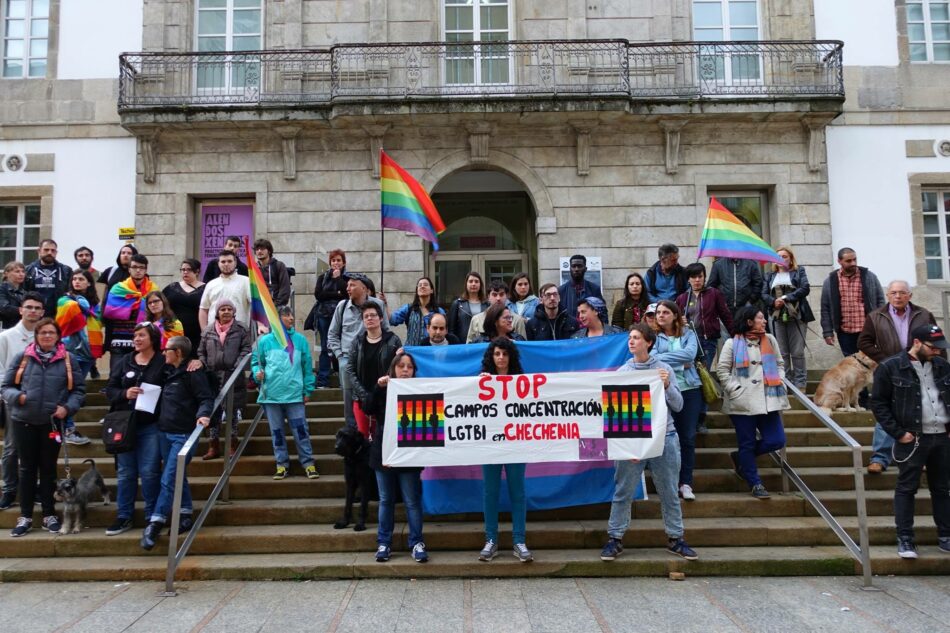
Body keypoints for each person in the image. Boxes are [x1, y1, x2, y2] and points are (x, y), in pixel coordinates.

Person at [600, 323, 698, 562]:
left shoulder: (664, 369)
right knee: (623, 490)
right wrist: (627, 445)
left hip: (665, 437)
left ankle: (676, 538)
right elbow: (616, 413)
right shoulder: (623, 372)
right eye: (630, 337)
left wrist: (665, 386)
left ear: (649, 342)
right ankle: (615, 538)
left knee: (669, 491)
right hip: (634, 438)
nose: (631, 341)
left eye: (636, 337)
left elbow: (678, 405)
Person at [869, 324, 950, 559]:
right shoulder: (890, 367)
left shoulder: (943, 366)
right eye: (932, 347)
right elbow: (879, 404)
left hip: (942, 436)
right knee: (906, 488)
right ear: (916, 343)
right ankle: (905, 538)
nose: (937, 351)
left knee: (943, 488)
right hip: (913, 436)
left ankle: (945, 535)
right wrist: (899, 433)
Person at [4, 318, 85, 537]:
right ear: (36, 336)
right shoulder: (23, 358)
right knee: (27, 469)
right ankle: (25, 516)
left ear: (58, 336)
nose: (47, 336)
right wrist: (18, 397)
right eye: (43, 333)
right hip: (24, 420)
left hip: (51, 423)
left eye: (51, 332)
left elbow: (78, 390)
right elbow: (6, 386)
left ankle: (49, 514)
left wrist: (67, 409)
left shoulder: (69, 359)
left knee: (48, 470)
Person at [140, 336, 213, 551]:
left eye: (167, 349)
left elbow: (205, 397)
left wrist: (204, 415)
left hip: (183, 435)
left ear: (178, 352)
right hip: (164, 432)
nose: (163, 352)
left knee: (169, 477)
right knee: (177, 475)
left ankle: (156, 521)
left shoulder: (193, 372)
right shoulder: (167, 371)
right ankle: (185, 513)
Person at [859, 280, 939, 475]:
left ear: (909, 295)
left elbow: (936, 340)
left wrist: (936, 366)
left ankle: (918, 458)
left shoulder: (924, 314)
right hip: (889, 372)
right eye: (893, 293)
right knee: (884, 411)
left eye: (902, 293)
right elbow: (864, 341)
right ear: (888, 295)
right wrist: (887, 360)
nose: (898, 296)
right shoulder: (876, 316)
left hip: (919, 369)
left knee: (919, 413)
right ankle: (880, 458)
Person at [717, 306, 790, 499]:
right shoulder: (732, 343)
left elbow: (780, 364)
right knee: (747, 443)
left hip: (768, 399)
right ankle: (755, 483)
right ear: (749, 321)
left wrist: (779, 380)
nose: (764, 321)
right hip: (742, 402)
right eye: (760, 318)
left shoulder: (770, 340)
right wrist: (736, 390)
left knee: (777, 440)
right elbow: (722, 370)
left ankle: (740, 458)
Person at [104, 322, 166, 536]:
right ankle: (124, 516)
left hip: (151, 425)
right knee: (125, 473)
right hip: (124, 425)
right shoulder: (124, 361)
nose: (137, 339)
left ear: (153, 338)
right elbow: (110, 389)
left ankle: (152, 516)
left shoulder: (163, 361)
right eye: (135, 335)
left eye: (141, 335)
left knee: (149, 472)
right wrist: (124, 394)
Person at [478, 337, 533, 563]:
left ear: (511, 356)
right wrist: (478, 386)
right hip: (490, 444)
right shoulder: (482, 381)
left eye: (505, 354)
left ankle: (519, 540)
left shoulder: (522, 381)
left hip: (516, 444)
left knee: (517, 493)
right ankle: (491, 539)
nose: (501, 358)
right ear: (491, 357)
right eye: (497, 354)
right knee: (490, 493)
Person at [369, 352, 427, 562]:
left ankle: (417, 542)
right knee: (386, 500)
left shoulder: (421, 390)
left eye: (409, 367)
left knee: (412, 501)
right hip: (384, 453)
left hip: (410, 454)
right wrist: (378, 388)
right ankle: (383, 543)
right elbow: (367, 407)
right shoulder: (384, 389)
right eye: (401, 366)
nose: (405, 370)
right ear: (393, 369)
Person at [252, 305, 318, 480]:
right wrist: (257, 373)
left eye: (291, 315)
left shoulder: (300, 341)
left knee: (301, 430)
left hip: (294, 395)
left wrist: (308, 390)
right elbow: (256, 362)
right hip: (271, 396)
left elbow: (307, 367)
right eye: (286, 315)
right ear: (277, 319)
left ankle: (308, 463)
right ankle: (281, 464)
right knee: (277, 432)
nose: (291, 318)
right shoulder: (264, 342)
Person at [651, 300, 703, 501]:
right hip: (664, 392)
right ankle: (668, 481)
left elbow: (691, 353)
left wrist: (669, 358)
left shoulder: (689, 334)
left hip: (690, 389)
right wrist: (682, 364)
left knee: (688, 437)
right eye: (658, 313)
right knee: (666, 439)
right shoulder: (653, 337)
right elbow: (654, 359)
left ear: (674, 315)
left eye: (665, 312)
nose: (661, 316)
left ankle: (686, 482)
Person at [0, 293, 45, 511]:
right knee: (11, 447)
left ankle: (33, 487)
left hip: (39, 400)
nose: (33, 311)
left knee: (36, 447)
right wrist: (8, 394)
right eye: (29, 307)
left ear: (43, 312)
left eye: (37, 308)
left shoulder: (45, 336)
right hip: (14, 398)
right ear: (21, 310)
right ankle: (9, 489)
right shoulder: (6, 336)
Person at [327, 272, 389, 428]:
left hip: (374, 359)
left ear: (364, 288)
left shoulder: (377, 305)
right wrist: (341, 357)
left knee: (377, 395)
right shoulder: (341, 307)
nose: (347, 288)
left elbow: (386, 331)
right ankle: (353, 437)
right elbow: (332, 335)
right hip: (348, 361)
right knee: (350, 402)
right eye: (347, 285)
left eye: (352, 285)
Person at [195, 298, 251, 459]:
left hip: (233, 376)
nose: (226, 312)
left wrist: (238, 364)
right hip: (212, 377)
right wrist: (204, 365)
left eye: (229, 309)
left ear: (234, 311)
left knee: (232, 412)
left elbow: (246, 348)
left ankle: (232, 443)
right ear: (217, 312)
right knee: (213, 412)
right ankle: (213, 446)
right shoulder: (208, 330)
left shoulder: (241, 328)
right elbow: (201, 352)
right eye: (222, 309)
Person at [346, 303, 402, 442]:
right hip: (361, 399)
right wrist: (364, 395)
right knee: (364, 438)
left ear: (381, 318)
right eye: (366, 316)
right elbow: (350, 369)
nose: (370, 318)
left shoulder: (393, 340)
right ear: (363, 321)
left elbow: (399, 367)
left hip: (386, 398)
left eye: (373, 315)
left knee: (386, 438)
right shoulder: (357, 342)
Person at [57, 270, 100, 446]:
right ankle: (68, 428)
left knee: (76, 391)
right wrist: (79, 305)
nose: (77, 282)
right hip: (70, 351)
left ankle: (68, 427)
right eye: (74, 279)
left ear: (89, 283)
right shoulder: (65, 300)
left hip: (88, 352)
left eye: (81, 279)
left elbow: (98, 320)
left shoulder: (94, 304)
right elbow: (62, 322)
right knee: (69, 390)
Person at [762, 247, 814, 390]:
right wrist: (774, 302)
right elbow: (764, 294)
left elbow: (805, 288)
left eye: (784, 256)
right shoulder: (769, 275)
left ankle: (800, 383)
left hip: (797, 317)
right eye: (778, 256)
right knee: (782, 352)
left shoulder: (799, 271)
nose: (781, 259)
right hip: (776, 317)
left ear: (791, 258)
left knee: (797, 351)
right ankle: (786, 382)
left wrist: (785, 298)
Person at [820, 247, 885, 357]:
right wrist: (827, 332)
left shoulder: (870, 277)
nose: (853, 263)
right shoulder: (830, 281)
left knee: (872, 362)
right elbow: (825, 308)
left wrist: (880, 325)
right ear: (839, 261)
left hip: (867, 330)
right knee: (851, 364)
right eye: (848, 261)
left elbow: (880, 301)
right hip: (845, 332)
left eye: (855, 259)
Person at [101, 253, 159, 375]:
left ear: (146, 270)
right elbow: (110, 311)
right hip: (119, 340)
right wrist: (137, 303)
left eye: (141, 267)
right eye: (134, 267)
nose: (138, 270)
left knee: (141, 375)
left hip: (145, 341)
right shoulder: (118, 288)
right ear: (129, 269)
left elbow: (158, 313)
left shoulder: (153, 290)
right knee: (116, 374)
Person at [676, 263, 733, 369]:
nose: (697, 280)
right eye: (693, 277)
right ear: (688, 279)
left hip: (707, 340)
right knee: (691, 370)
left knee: (703, 371)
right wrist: (679, 321)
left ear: (704, 277)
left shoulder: (714, 294)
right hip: (688, 341)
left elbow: (726, 316)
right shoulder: (682, 298)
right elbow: (674, 321)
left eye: (700, 276)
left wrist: (735, 334)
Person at [309, 249, 347, 389]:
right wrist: (335, 293)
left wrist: (338, 280)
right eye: (333, 260)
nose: (336, 263)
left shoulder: (347, 278)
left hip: (341, 316)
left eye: (338, 260)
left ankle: (341, 376)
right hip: (323, 315)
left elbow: (346, 294)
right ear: (330, 262)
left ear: (343, 263)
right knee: (325, 346)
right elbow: (319, 295)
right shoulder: (323, 277)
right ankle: (323, 380)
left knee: (342, 346)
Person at [162, 258, 206, 357]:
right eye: (183, 270)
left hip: (197, 334)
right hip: (174, 333)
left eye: (189, 269)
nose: (185, 272)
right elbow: (162, 306)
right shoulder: (171, 288)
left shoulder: (206, 288)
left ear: (197, 271)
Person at [199, 250, 252, 330]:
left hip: (239, 332)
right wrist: (204, 331)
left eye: (230, 261)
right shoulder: (211, 284)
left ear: (235, 263)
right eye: (223, 262)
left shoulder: (246, 281)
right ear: (218, 264)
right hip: (214, 333)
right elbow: (203, 309)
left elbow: (256, 305)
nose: (226, 264)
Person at [388, 276, 444, 346]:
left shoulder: (439, 312)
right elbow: (392, 320)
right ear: (417, 291)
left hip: (431, 352)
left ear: (431, 290)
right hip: (412, 353)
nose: (422, 286)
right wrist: (384, 304)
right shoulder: (409, 308)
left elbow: (444, 333)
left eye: (425, 285)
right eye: (420, 285)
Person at [24, 239, 72, 317]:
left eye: (53, 250)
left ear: (56, 253)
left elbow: (70, 292)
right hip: (34, 314)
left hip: (58, 315)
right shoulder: (28, 270)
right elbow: (23, 292)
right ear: (39, 251)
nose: (50, 253)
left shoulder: (66, 271)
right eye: (46, 250)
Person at [447, 271, 489, 344]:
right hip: (462, 344)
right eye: (470, 281)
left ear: (480, 285)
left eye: (476, 281)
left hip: (483, 344)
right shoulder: (457, 304)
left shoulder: (487, 304)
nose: (473, 284)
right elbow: (451, 330)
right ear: (466, 284)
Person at [253, 238, 291, 308]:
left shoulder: (279, 265)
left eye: (262, 249)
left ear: (269, 251)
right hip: (259, 308)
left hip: (276, 307)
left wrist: (276, 306)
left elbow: (285, 289)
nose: (259, 251)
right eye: (257, 249)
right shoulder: (253, 268)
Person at [0, 260, 26, 329]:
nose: (21, 274)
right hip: (5, 327)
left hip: (21, 327)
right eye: (17, 271)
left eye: (23, 271)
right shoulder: (2, 289)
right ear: (6, 273)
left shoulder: (24, 291)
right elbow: (4, 308)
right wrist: (25, 311)